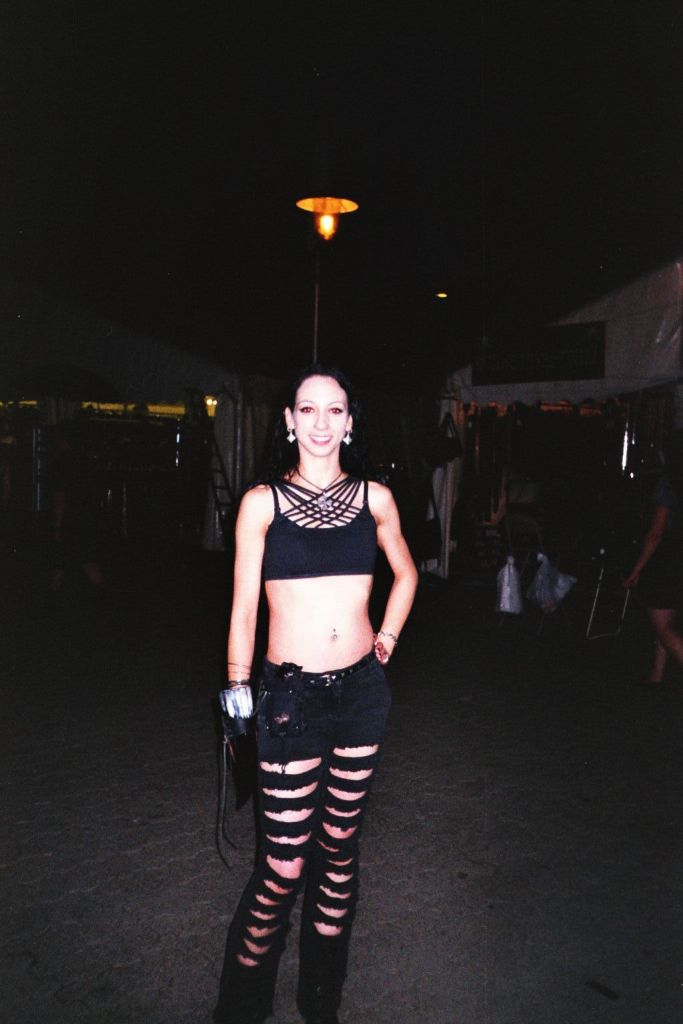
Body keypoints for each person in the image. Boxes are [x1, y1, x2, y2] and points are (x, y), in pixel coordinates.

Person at [214, 365, 418, 1024]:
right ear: (289, 421)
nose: (322, 422)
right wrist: (237, 699)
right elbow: (244, 609)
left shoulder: (375, 498)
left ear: (350, 422)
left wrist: (386, 638)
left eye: (335, 410)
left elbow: (407, 573)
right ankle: (241, 1007)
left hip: (360, 695)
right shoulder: (261, 503)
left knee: (338, 850)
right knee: (281, 866)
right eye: (308, 409)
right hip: (288, 701)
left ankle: (320, 1000)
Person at [624, 436, 683, 684]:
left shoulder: (669, 484)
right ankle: (656, 675)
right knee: (668, 618)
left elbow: (656, 533)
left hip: (669, 558)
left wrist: (636, 569)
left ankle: (658, 674)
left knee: (661, 624)